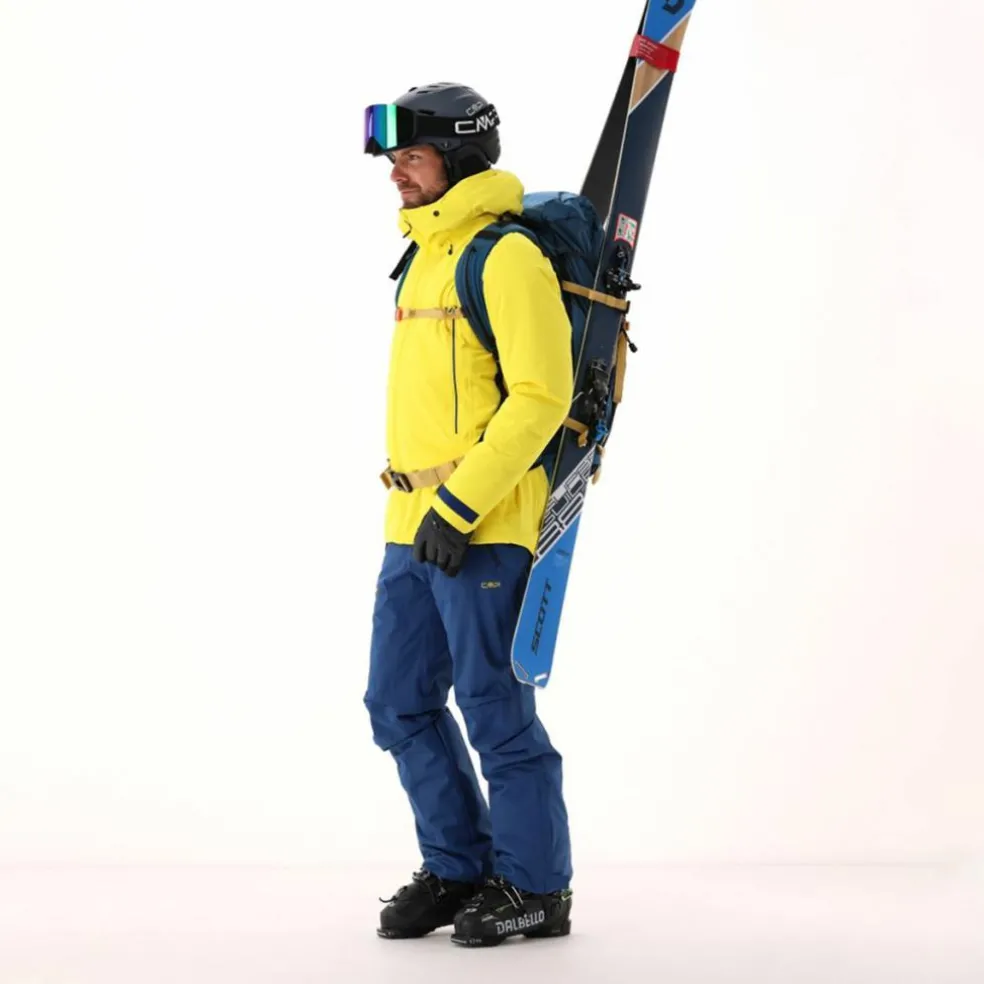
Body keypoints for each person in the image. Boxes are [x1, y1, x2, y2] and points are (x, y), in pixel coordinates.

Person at [362, 82, 575, 947]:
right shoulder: (422, 255)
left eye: (410, 158)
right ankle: (457, 867)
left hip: (483, 522)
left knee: (493, 707)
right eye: (394, 160)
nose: (396, 175)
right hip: (411, 523)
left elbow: (541, 396)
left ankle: (537, 888)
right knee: (396, 702)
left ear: (457, 157)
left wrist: (459, 504)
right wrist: (426, 511)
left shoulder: (505, 256)